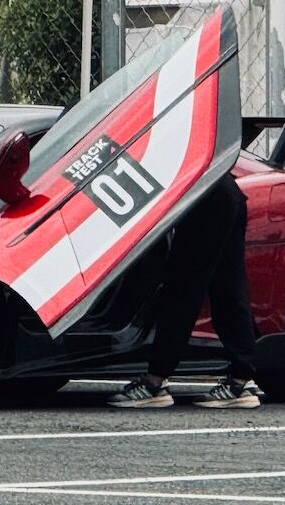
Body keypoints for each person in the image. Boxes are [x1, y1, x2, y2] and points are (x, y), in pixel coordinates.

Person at [107, 174, 260, 409]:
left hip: (202, 196)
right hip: (222, 188)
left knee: (184, 288)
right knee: (227, 286)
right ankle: (241, 381)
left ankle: (155, 382)